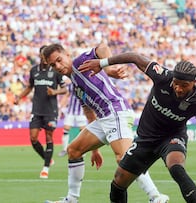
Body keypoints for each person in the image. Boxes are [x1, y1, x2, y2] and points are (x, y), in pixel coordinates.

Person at [78, 53, 196, 203]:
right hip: (145, 139)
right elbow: (135, 57)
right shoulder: (163, 76)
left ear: (194, 83)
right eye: (176, 83)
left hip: (172, 138)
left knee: (176, 168)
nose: (179, 88)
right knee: (118, 183)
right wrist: (103, 62)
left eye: (184, 85)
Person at [42, 43, 169, 203]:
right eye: (53, 65)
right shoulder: (74, 85)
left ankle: (156, 197)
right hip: (103, 119)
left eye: (59, 60)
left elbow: (101, 48)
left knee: (124, 157)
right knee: (73, 150)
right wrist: (94, 149)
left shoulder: (80, 62)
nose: (58, 66)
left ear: (67, 54)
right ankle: (71, 199)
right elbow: (88, 111)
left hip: (115, 111)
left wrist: (107, 67)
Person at [15, 45, 68, 179]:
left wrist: (54, 92)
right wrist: (20, 97)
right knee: (33, 138)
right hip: (37, 109)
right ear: (40, 56)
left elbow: (65, 89)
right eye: (43, 56)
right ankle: (47, 158)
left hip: (51, 110)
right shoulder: (34, 71)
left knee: (49, 137)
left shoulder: (55, 70)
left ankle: (45, 168)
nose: (45, 59)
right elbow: (29, 87)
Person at [58, 80, 87, 157]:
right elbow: (66, 95)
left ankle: (82, 150)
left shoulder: (86, 85)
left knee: (83, 131)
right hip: (70, 111)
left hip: (81, 112)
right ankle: (64, 149)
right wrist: (60, 107)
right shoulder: (71, 85)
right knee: (66, 129)